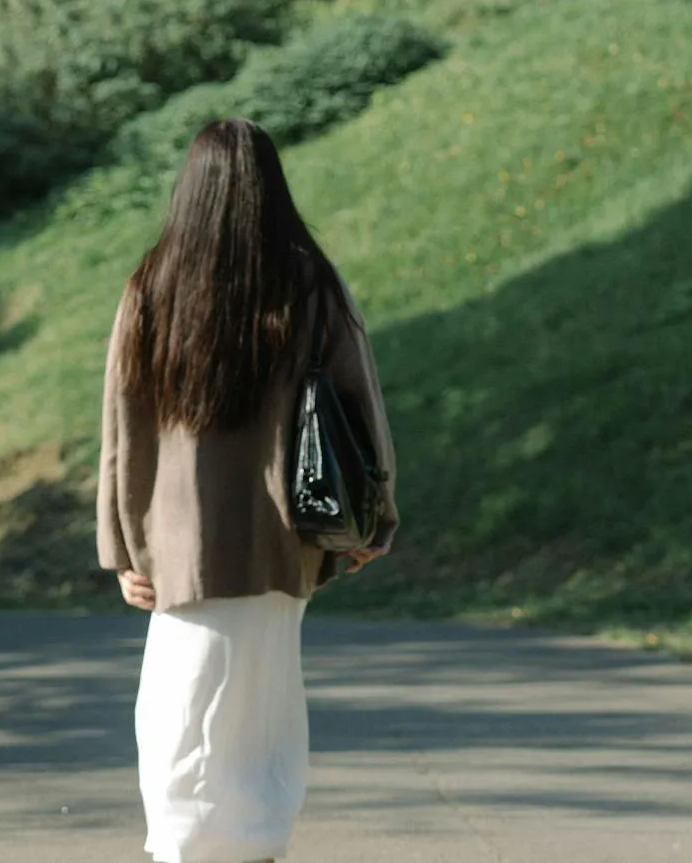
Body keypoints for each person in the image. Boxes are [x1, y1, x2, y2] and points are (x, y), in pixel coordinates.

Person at [98, 117, 399, 863]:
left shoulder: (151, 287)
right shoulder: (311, 287)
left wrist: (126, 545)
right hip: (280, 539)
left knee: (179, 715)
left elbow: (121, 428)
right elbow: (361, 406)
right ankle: (256, 848)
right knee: (263, 715)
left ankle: (190, 851)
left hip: (181, 547)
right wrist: (371, 520)